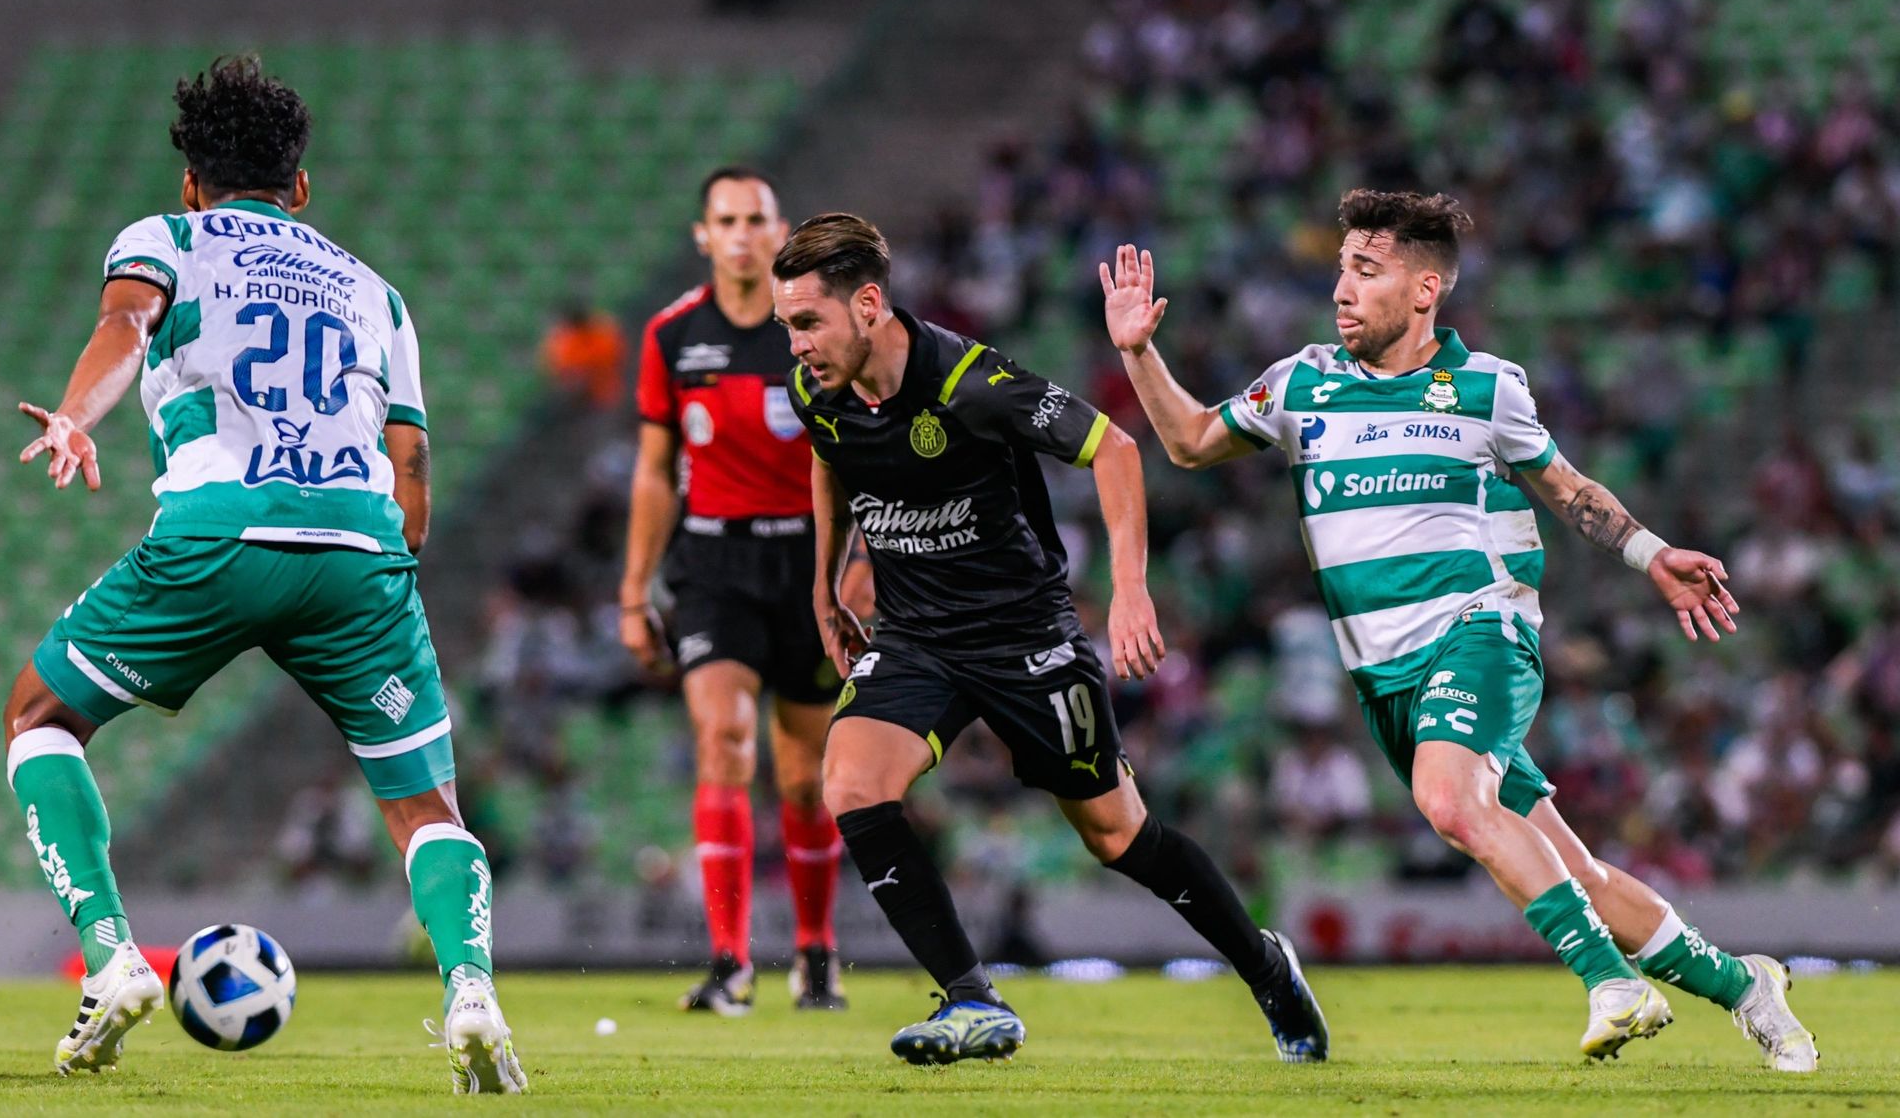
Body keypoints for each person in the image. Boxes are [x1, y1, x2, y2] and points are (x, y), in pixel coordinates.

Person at [1101, 189, 1818, 1070]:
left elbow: (1570, 492)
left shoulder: (1485, 388)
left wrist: (1651, 554)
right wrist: (1138, 353)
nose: (1342, 289)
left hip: (1479, 636)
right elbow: (1189, 442)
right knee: (1572, 874)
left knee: (1449, 801)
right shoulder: (1299, 383)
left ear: (1425, 288)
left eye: (1366, 271)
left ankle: (1610, 983)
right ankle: (1749, 988)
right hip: (1385, 680)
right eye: (1340, 269)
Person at [2, 56, 525, 1094]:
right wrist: (383, 580)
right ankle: (471, 990)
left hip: (218, 531)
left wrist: (75, 414)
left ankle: (111, 958)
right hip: (360, 550)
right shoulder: (375, 291)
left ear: (192, 180)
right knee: (426, 809)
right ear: (301, 185)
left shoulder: (167, 236)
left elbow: (126, 324)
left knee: (40, 716)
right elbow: (410, 459)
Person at [773, 212, 1328, 1065]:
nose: (797, 344)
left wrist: (1130, 591)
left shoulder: (969, 380)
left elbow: (1114, 450)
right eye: (787, 325)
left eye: (808, 321)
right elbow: (828, 457)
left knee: (1117, 836)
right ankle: (972, 1001)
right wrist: (828, 578)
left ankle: (1263, 967)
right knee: (850, 783)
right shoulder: (818, 389)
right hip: (916, 635)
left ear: (870, 304)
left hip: (1024, 634)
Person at [619, 167, 854, 1013]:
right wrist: (633, 588)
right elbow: (653, 472)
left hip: (806, 566)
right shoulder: (674, 334)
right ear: (704, 235)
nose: (743, 233)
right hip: (712, 564)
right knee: (723, 741)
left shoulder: (815, 330)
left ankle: (816, 953)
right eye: (727, 219)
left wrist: (855, 565)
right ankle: (730, 963)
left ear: (779, 229)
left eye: (757, 219)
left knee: (802, 778)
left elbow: (855, 453)